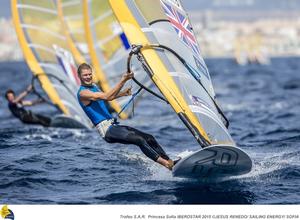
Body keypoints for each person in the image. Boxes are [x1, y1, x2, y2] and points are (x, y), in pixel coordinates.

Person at [77, 63, 178, 170]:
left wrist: (122, 93)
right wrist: (123, 80)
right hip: (106, 130)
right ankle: (166, 164)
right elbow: (107, 96)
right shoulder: (83, 93)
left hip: (113, 126)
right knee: (139, 140)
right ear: (79, 77)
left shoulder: (94, 87)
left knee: (149, 138)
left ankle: (170, 162)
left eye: (89, 74)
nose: (88, 77)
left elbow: (108, 97)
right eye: (85, 75)